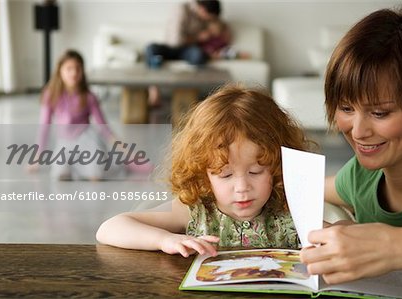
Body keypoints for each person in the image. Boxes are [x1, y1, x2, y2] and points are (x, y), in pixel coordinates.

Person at [96, 85, 314, 256]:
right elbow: (109, 228)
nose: (242, 188)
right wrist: (165, 240)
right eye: (226, 175)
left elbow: (335, 235)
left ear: (278, 167)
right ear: (203, 172)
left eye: (255, 172)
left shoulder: (289, 211)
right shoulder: (196, 211)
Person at [300, 5, 402, 284]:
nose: (357, 131)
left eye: (380, 113)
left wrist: (397, 245)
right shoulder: (361, 176)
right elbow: (290, 188)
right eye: (346, 108)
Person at [31, 49, 151, 180]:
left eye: (78, 69)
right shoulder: (51, 95)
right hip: (65, 142)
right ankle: (76, 167)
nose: (74, 73)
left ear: (82, 71)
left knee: (96, 175)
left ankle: (122, 162)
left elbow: (104, 128)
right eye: (69, 69)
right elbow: (44, 127)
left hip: (86, 140)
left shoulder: (89, 97)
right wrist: (37, 157)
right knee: (60, 175)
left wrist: (129, 154)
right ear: (60, 71)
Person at [145, 0, 226, 107]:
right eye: (208, 17)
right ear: (202, 9)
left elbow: (220, 30)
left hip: (188, 50)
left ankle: (192, 92)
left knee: (199, 55)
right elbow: (176, 41)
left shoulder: (207, 18)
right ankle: (154, 90)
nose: (208, 19)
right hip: (170, 48)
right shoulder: (182, 9)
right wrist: (198, 37)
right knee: (152, 49)